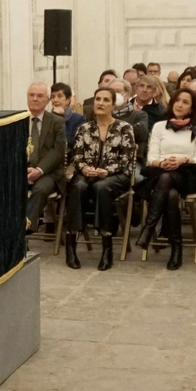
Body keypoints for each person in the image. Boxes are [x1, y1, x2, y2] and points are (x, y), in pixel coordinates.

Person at [60, 87, 137, 271]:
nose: (100, 103)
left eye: (105, 100)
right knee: (78, 187)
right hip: (87, 174)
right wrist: (84, 168)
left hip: (116, 175)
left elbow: (126, 159)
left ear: (113, 105)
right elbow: (77, 155)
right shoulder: (84, 128)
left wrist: (106, 171)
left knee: (102, 187)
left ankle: (107, 247)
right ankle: (71, 245)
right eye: (98, 99)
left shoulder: (124, 128)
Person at [133, 87, 196, 269]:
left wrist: (183, 160)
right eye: (177, 101)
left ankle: (149, 227)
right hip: (161, 172)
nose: (179, 105)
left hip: (188, 173)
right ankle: (176, 248)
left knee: (167, 180)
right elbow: (151, 157)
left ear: (192, 108)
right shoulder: (160, 126)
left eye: (185, 102)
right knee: (171, 194)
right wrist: (162, 163)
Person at [21, 82, 65, 234]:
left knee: (40, 190)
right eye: (31, 95)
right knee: (7, 188)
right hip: (23, 171)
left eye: (40, 96)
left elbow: (58, 151)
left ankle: (25, 232)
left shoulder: (57, 122)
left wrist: (39, 170)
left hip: (48, 173)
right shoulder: (18, 121)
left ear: (47, 100)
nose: (35, 99)